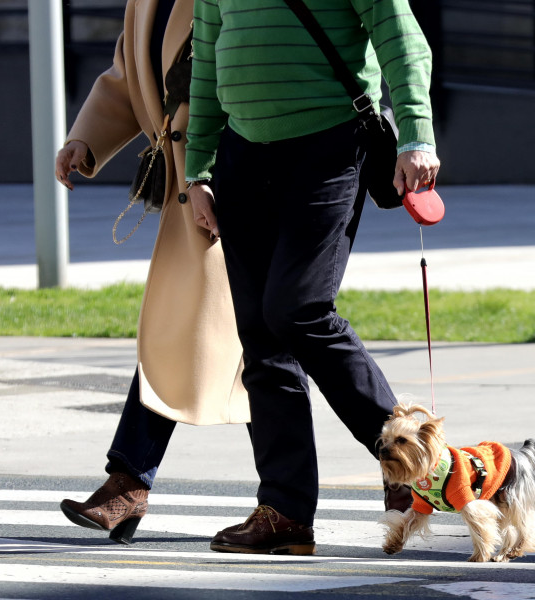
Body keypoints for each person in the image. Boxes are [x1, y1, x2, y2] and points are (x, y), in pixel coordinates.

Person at [184, 0, 441, 555]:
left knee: (297, 309)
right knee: (259, 334)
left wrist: (417, 134)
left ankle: (411, 458)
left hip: (327, 145)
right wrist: (199, 170)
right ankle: (285, 512)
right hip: (241, 156)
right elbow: (205, 63)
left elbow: (402, 40)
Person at [53, 0, 248, 545]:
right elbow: (126, 75)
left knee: (269, 334)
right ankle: (131, 481)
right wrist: (85, 140)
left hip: (238, 176)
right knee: (219, 332)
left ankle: (300, 493)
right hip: (192, 183)